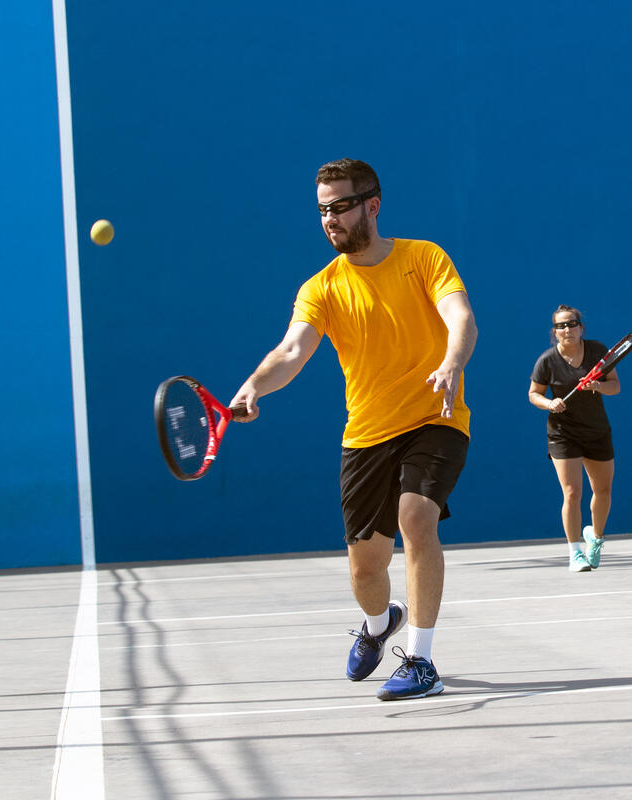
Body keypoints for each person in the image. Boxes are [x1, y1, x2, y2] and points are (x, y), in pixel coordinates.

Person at [229, 159, 477, 700]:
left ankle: (421, 660)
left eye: (339, 206)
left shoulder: (423, 258)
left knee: (416, 519)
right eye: (322, 210)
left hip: (435, 416)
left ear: (372, 204)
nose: (330, 219)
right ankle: (377, 622)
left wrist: (453, 361)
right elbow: (292, 351)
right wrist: (254, 385)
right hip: (365, 436)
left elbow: (461, 317)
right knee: (366, 571)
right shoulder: (322, 287)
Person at [528, 305, 620, 572]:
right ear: (554, 332)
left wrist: (597, 386)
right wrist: (549, 403)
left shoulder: (596, 352)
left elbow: (615, 386)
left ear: (581, 328)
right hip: (563, 434)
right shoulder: (546, 361)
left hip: (596, 432)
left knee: (603, 491)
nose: (567, 329)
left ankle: (596, 537)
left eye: (572, 324)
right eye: (561, 326)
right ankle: (574, 552)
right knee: (571, 493)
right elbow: (533, 393)